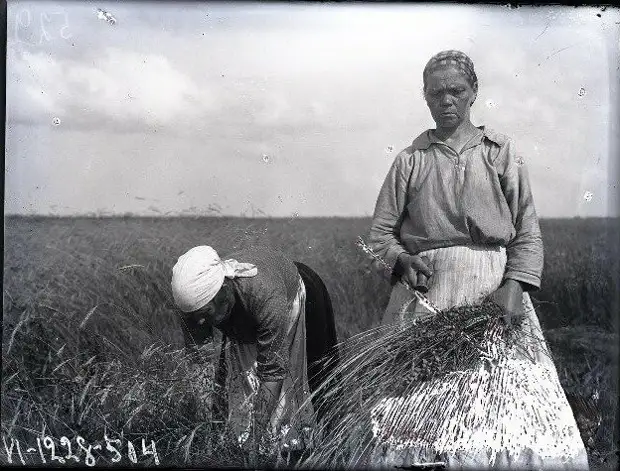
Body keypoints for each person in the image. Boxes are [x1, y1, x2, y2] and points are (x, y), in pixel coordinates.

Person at [367, 50, 589, 468]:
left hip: (493, 288)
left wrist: (515, 288)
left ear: (473, 94)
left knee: (498, 395)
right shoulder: (410, 161)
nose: (446, 100)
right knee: (422, 399)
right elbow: (380, 235)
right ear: (425, 98)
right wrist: (401, 260)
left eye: (456, 91)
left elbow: (526, 228)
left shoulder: (500, 152)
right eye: (436, 93)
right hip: (429, 294)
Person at [170, 245, 338, 462]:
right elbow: (200, 361)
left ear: (223, 290)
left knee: (299, 390)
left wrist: (255, 441)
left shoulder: (264, 296)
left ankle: (309, 452)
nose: (200, 323)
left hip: (290, 295)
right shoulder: (191, 306)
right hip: (244, 312)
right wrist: (203, 427)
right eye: (195, 317)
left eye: (205, 314)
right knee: (237, 403)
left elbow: (273, 373)